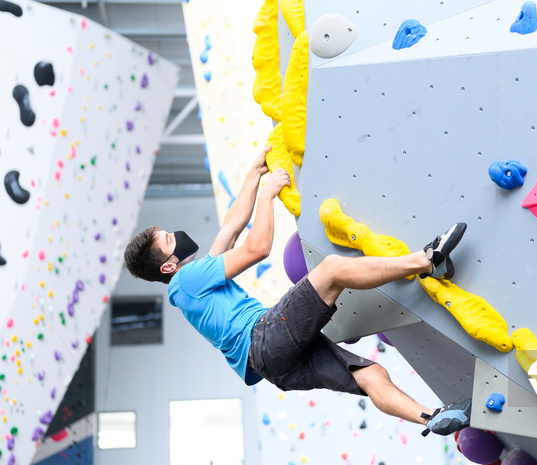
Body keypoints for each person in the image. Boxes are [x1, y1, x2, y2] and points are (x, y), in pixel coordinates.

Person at [123, 146, 471, 436]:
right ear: (168, 266)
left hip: (273, 368)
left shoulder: (191, 285)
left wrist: (253, 174)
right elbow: (256, 247)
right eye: (169, 239)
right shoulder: (187, 281)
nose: (176, 234)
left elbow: (231, 226)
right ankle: (427, 261)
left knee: (370, 375)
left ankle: (431, 416)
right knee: (332, 270)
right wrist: (268, 195)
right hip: (263, 340)